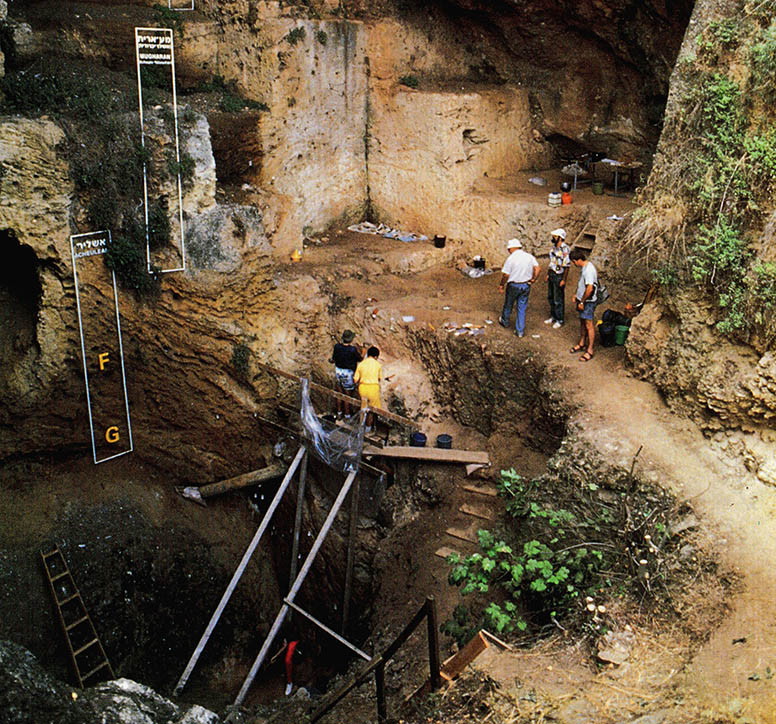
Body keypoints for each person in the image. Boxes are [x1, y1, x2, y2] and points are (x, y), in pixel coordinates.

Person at [498, 239, 540, 338]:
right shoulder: (529, 256)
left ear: (511, 248)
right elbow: (538, 268)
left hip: (513, 285)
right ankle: (520, 331)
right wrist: (533, 279)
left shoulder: (511, 258)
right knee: (522, 307)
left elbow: (506, 275)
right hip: (526, 285)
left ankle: (505, 321)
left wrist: (501, 285)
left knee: (509, 303)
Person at [569, 248, 598, 361]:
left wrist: (582, 301)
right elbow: (582, 284)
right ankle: (582, 343)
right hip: (582, 299)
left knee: (588, 324)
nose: (574, 264)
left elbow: (589, 288)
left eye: (574, 262)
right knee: (582, 321)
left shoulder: (589, 270)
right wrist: (577, 295)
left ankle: (590, 350)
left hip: (588, 302)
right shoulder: (584, 268)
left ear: (577, 260)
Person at [330, 330, 362, 418]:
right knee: (347, 395)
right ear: (351, 339)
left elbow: (333, 359)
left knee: (340, 394)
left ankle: (339, 412)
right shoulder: (352, 350)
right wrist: (363, 352)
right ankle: (347, 415)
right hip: (348, 373)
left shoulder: (337, 347)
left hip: (338, 371)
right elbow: (360, 359)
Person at [544, 228, 571, 329]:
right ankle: (553, 316)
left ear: (560, 238)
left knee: (558, 298)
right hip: (552, 273)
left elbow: (567, 266)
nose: (553, 238)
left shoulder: (565, 249)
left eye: (555, 236)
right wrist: (548, 274)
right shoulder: (554, 248)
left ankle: (560, 319)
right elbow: (552, 263)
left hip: (559, 275)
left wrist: (564, 279)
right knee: (551, 296)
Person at [353, 346, 382, 430]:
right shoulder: (378, 365)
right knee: (371, 411)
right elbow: (379, 378)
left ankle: (360, 427)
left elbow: (355, 380)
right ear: (376, 357)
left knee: (363, 408)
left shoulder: (361, 364)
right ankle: (368, 428)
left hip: (362, 388)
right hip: (373, 389)